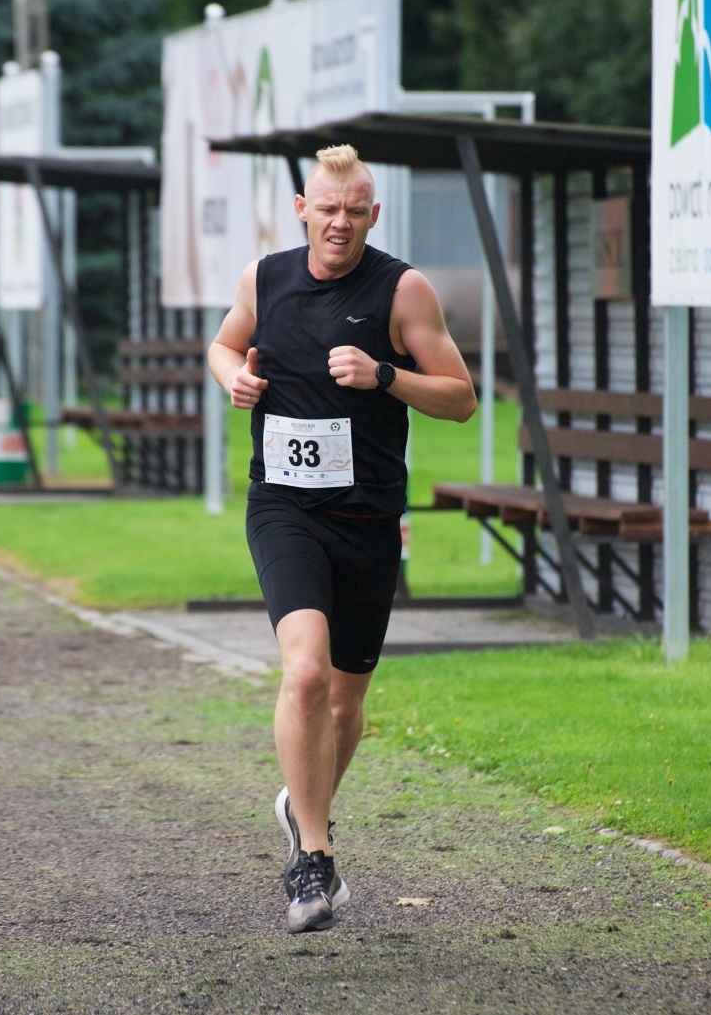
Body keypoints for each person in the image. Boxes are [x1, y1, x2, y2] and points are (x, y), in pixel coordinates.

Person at [207, 145, 476, 933]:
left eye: (355, 210)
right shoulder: (265, 278)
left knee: (347, 701)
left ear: (373, 214)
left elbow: (461, 397)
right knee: (305, 673)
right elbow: (225, 343)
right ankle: (312, 861)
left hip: (367, 517)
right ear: (302, 208)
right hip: (284, 508)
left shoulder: (403, 289)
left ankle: (303, 802)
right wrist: (233, 377)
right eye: (328, 208)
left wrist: (385, 376)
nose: (340, 222)